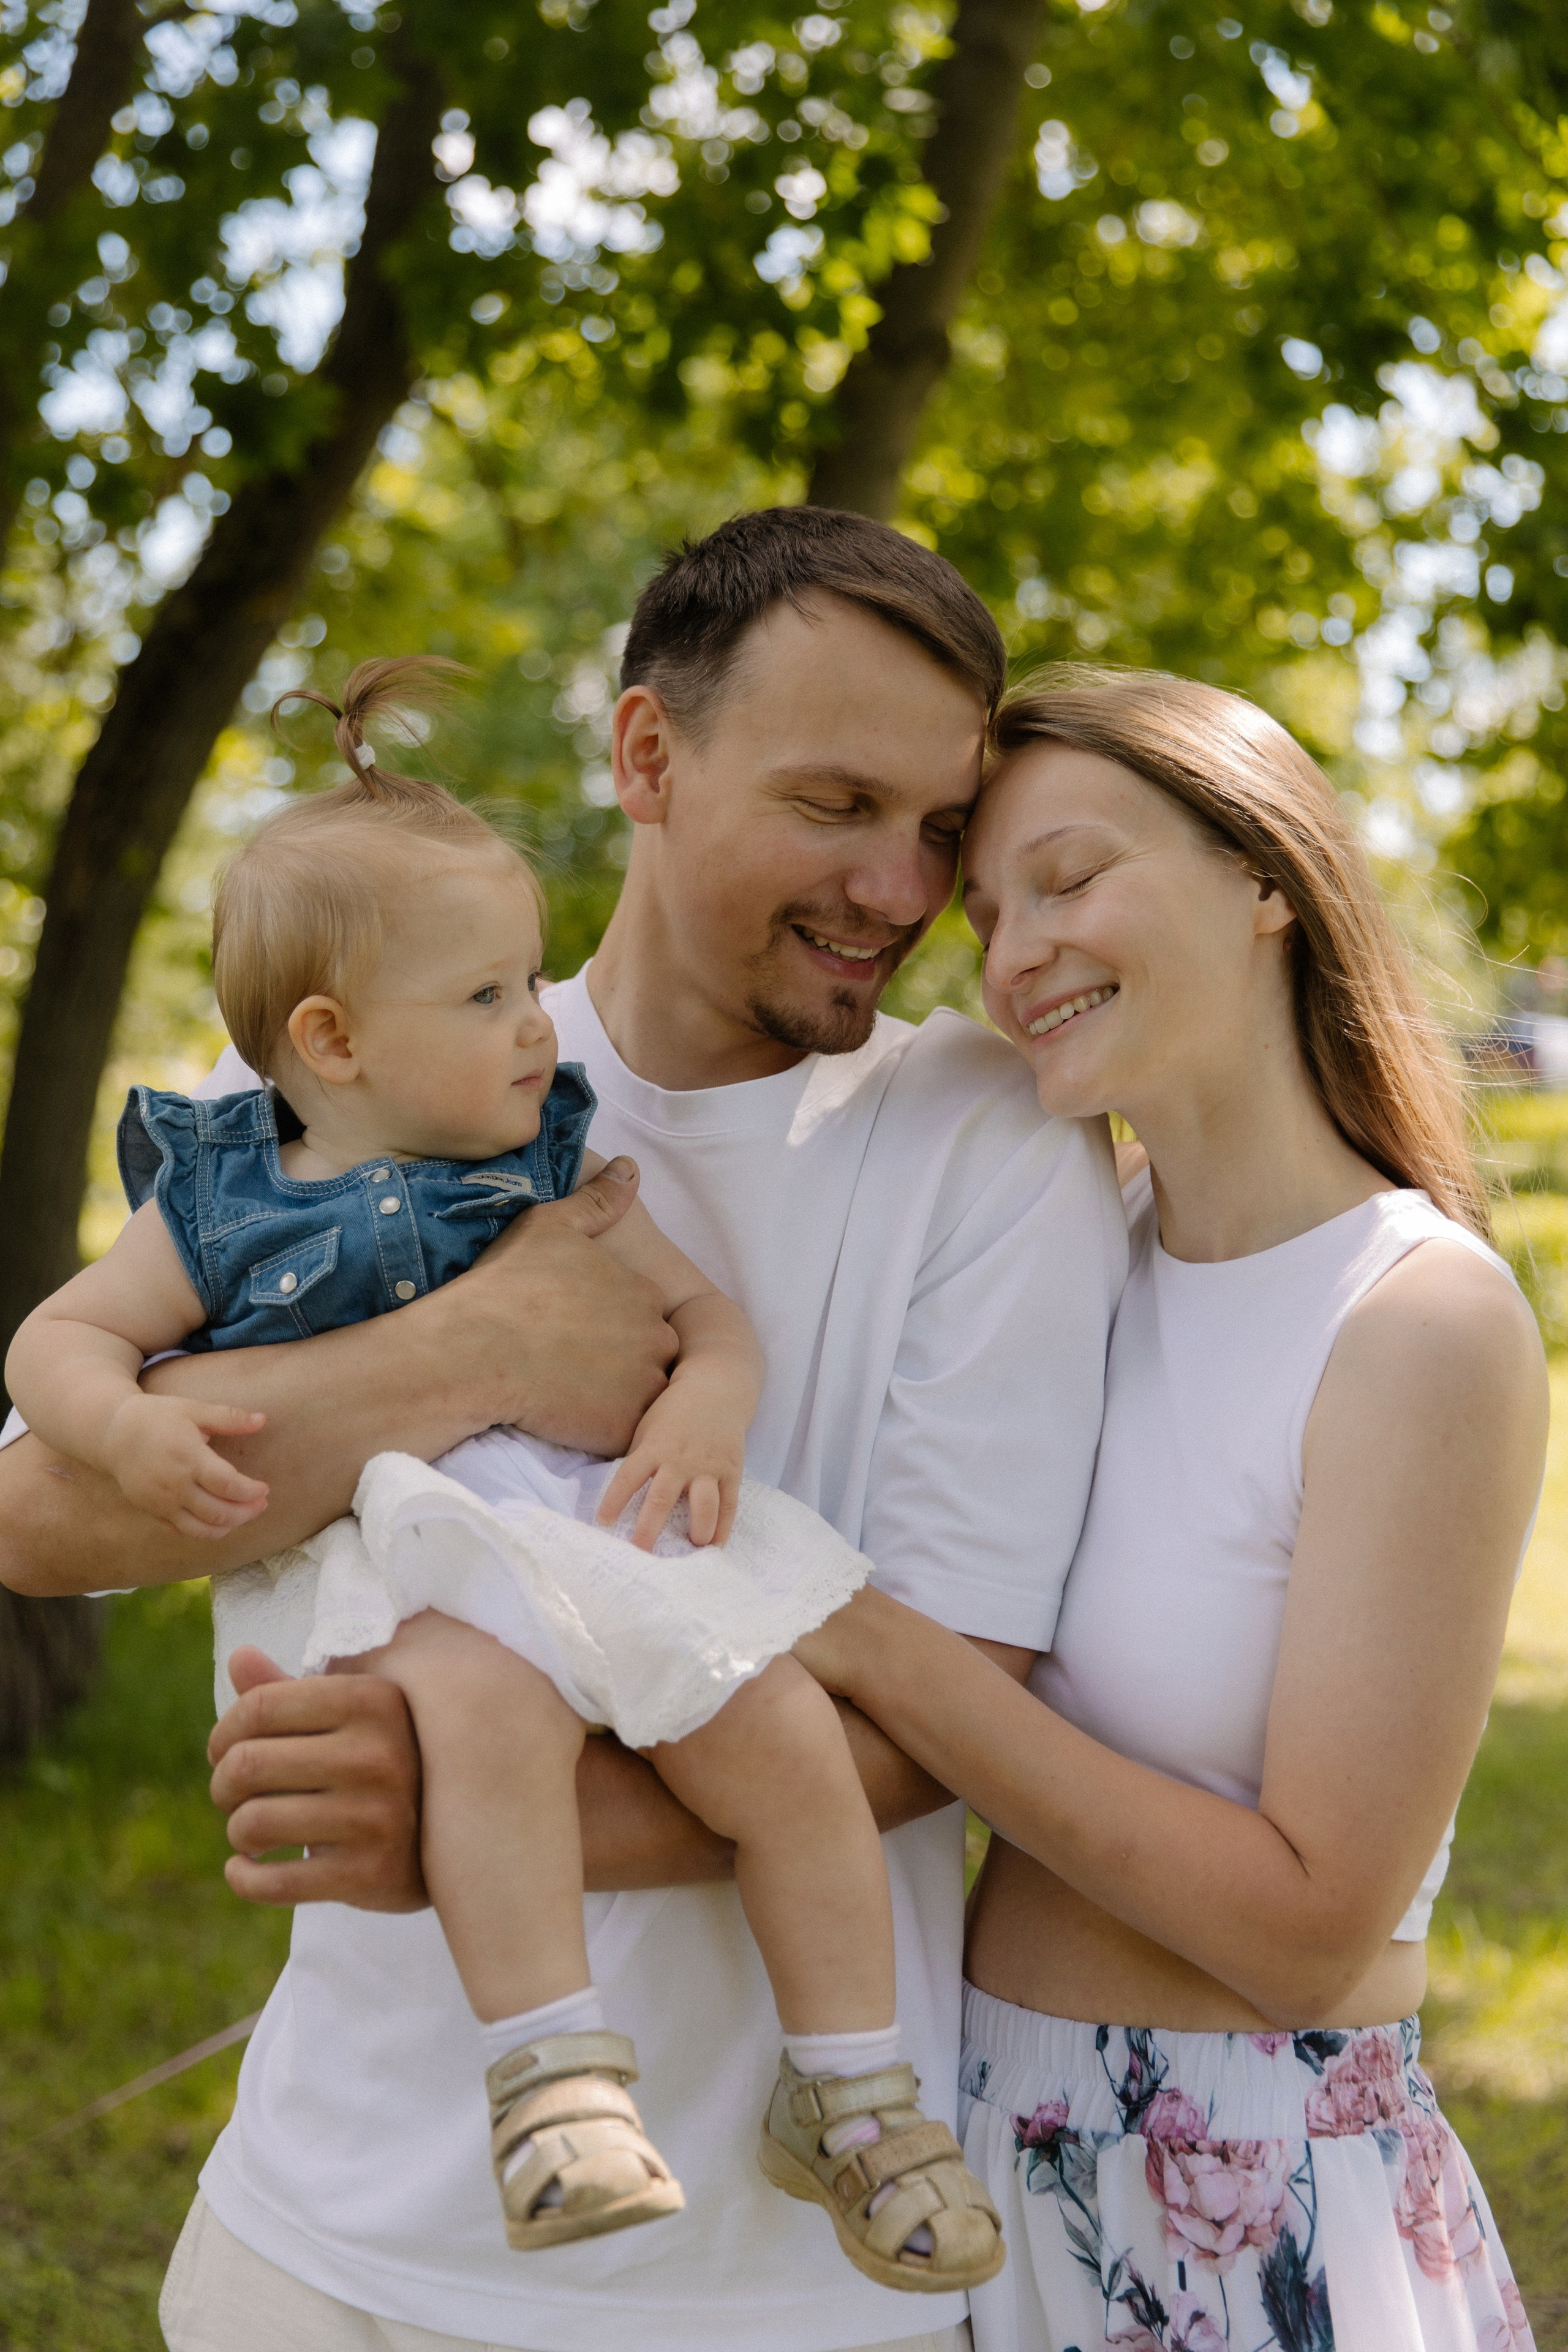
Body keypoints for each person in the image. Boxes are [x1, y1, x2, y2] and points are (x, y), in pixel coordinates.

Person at [0, 510, 1125, 2352]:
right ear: (647, 756)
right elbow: (46, 1509)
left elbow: (946, 1720)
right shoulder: (346, 1057)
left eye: (939, 827)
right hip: (329, 2233)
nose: (899, 888)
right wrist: (486, 1349)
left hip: (767, 2297)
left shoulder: (985, 1144)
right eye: (836, 804)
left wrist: (455, 1800)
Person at [791, 666, 1547, 2352]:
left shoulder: (1417, 1318)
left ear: (1265, 877)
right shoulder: (1070, 1258)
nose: (1016, 954)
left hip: (1241, 2201)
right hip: (982, 2150)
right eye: (988, 916)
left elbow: (1308, 1929)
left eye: (1069, 880)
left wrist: (890, 1657)